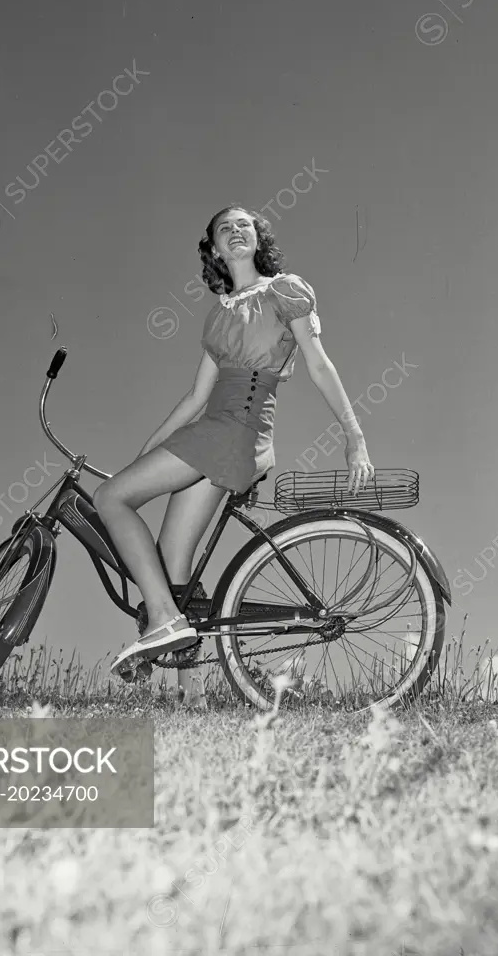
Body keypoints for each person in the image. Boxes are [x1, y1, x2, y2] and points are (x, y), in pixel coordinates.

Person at [94, 205, 374, 678]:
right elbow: (195, 397)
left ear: (258, 239)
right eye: (224, 228)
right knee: (171, 565)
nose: (235, 231)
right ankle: (190, 686)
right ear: (215, 250)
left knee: (108, 498)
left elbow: (320, 365)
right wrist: (144, 454)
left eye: (244, 224)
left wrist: (355, 437)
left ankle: (160, 621)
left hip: (235, 432)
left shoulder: (285, 292)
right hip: (212, 433)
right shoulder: (218, 317)